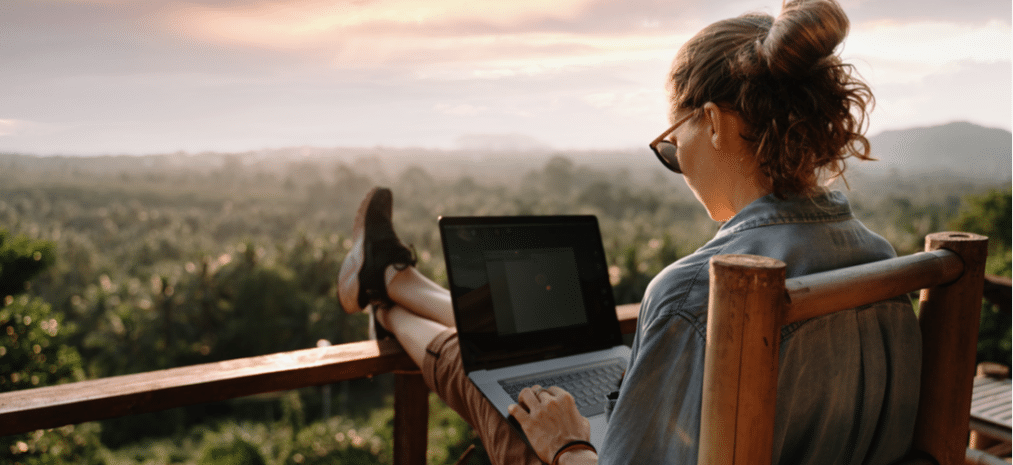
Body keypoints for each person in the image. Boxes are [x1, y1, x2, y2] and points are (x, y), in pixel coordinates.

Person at [336, 0, 921, 463]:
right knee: (511, 360)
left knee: (490, 378)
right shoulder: (881, 262)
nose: (678, 161)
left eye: (673, 142)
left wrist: (567, 444)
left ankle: (384, 299)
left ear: (713, 124)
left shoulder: (699, 292)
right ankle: (394, 282)